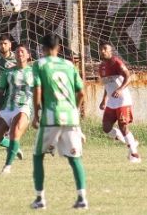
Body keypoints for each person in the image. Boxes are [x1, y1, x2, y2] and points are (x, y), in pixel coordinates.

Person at [30, 34, 88, 210]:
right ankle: (82, 198)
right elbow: (82, 93)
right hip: (71, 116)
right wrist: (75, 110)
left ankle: (40, 199)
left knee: (38, 155)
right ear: (59, 48)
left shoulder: (39, 64)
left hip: (51, 116)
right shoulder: (69, 65)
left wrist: (36, 114)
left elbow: (37, 90)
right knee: (74, 157)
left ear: (42, 48)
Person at [0, 44, 34, 174]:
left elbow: (40, 91)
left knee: (15, 134)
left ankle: (7, 167)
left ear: (28, 55)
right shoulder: (8, 72)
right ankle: (15, 148)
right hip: (8, 108)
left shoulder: (34, 72)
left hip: (24, 107)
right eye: (17, 52)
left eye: (22, 52)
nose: (19, 54)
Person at [98, 42, 141, 163]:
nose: (103, 51)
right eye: (101, 49)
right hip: (112, 102)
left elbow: (128, 77)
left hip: (123, 100)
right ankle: (131, 143)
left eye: (105, 49)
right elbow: (107, 85)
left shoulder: (116, 62)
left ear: (110, 50)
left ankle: (135, 155)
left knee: (123, 126)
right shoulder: (101, 66)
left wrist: (120, 89)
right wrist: (104, 100)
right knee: (106, 128)